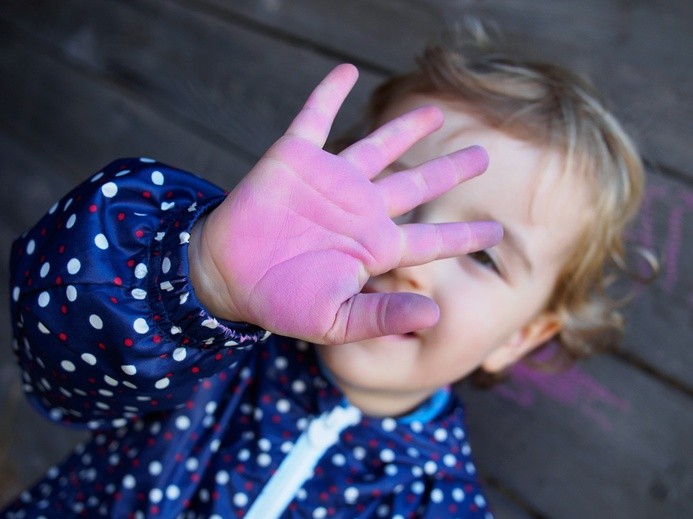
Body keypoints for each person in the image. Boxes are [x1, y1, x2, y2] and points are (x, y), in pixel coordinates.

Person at [2, 36, 643, 519]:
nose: (404, 257)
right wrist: (200, 279)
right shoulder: (211, 347)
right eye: (392, 200)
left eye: (482, 255)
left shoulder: (440, 505)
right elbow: (55, 373)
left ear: (522, 337)